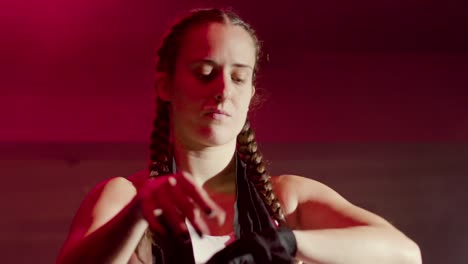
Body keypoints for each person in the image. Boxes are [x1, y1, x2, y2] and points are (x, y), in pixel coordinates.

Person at [56, 8, 421, 264]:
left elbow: (405, 255)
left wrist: (287, 242)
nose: (222, 90)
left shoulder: (287, 199)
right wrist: (137, 215)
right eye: (204, 72)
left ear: (250, 93)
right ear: (166, 86)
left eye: (238, 77)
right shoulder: (125, 198)